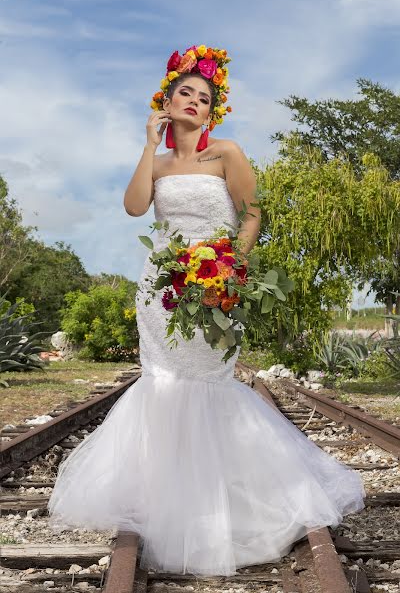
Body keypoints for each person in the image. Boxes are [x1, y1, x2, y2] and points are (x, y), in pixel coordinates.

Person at [47, 45, 366, 577]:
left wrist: (229, 268)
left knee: (208, 383)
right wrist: (148, 147)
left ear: (212, 111)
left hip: (213, 288)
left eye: (203, 98)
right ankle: (165, 497)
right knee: (163, 384)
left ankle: (220, 502)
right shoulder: (163, 159)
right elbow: (133, 207)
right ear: (166, 102)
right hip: (163, 290)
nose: (194, 102)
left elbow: (252, 215)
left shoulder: (228, 154)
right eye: (185, 94)